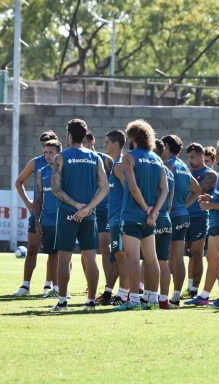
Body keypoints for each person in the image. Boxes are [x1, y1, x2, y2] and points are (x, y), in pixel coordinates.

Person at [50, 119, 109, 312]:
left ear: (68, 135)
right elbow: (105, 187)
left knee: (64, 259)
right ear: (85, 136)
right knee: (91, 258)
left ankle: (62, 303)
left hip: (68, 212)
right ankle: (90, 302)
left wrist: (77, 205)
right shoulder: (95, 158)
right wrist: (87, 208)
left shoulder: (61, 157)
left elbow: (55, 188)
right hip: (89, 215)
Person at [112, 120, 168, 312]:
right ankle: (152, 299)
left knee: (132, 259)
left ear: (133, 137)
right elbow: (165, 190)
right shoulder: (157, 159)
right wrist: (153, 212)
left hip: (132, 214)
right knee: (152, 259)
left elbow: (133, 187)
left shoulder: (128, 157)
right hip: (150, 219)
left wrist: (145, 208)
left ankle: (134, 300)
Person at [186, 138, 219, 307]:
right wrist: (212, 198)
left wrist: (210, 205)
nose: (215, 157)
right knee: (212, 259)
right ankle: (204, 296)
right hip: (216, 221)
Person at [13, 130, 59, 297]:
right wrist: (27, 202)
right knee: (32, 248)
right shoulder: (36, 163)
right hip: (38, 213)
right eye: (43, 147)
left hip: (56, 215)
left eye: (49, 147)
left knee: (55, 253)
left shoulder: (61, 162)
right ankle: (25, 286)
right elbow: (19, 182)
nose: (45, 151)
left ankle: (51, 287)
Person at [161, 135, 201, 308]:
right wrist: (183, 206)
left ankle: (155, 296)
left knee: (161, 257)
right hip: (183, 215)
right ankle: (175, 297)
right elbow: (197, 189)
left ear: (167, 146)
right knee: (177, 258)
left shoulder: (168, 165)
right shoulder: (184, 166)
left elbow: (163, 190)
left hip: (171, 215)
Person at [82, 131, 114, 304]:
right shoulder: (80, 160)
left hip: (103, 209)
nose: (83, 147)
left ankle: (108, 286)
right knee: (86, 249)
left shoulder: (105, 159)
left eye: (85, 143)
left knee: (104, 247)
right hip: (85, 208)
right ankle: (90, 283)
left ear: (92, 142)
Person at [183, 143, 217, 298]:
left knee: (197, 253)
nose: (189, 160)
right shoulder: (184, 171)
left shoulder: (210, 174)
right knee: (174, 254)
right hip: (182, 217)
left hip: (200, 218)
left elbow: (197, 190)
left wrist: (184, 175)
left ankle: (194, 290)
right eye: (188, 157)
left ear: (201, 156)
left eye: (192, 157)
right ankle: (178, 289)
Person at [32, 140, 62, 300]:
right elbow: (39, 197)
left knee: (65, 255)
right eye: (45, 152)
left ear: (58, 153)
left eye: (51, 152)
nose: (47, 155)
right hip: (48, 220)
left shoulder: (65, 170)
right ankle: (55, 288)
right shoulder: (41, 172)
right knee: (52, 254)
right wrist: (37, 220)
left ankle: (64, 289)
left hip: (64, 219)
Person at [103, 129, 128, 305]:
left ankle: (123, 295)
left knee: (122, 257)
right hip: (114, 218)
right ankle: (111, 292)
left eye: (107, 142)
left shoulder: (119, 166)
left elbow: (130, 190)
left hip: (120, 219)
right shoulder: (115, 165)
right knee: (116, 258)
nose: (104, 145)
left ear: (116, 144)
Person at [152, 139, 175, 309]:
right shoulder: (170, 172)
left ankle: (148, 297)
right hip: (167, 217)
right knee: (163, 262)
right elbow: (170, 201)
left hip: (154, 216)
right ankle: (163, 300)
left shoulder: (152, 169)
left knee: (148, 261)